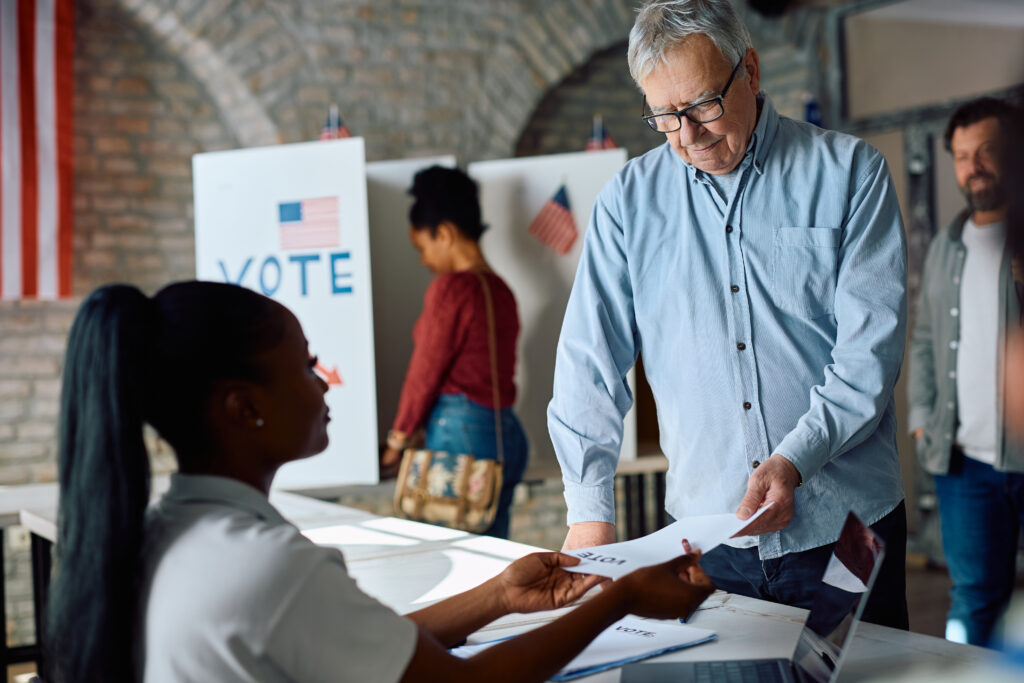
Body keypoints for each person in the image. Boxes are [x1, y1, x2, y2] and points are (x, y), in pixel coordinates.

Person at [45, 280, 714, 683]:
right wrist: (618, 598)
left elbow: (360, 646)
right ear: (242, 407)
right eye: (305, 366)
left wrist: (499, 597)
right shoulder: (267, 565)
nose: (324, 379)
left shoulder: (171, 529)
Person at [548, 0, 908, 628]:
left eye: (703, 107)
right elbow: (588, 361)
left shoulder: (852, 173)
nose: (688, 135)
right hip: (708, 541)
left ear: (751, 71)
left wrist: (794, 458)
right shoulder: (627, 205)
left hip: (846, 523)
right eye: (664, 116)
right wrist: (589, 512)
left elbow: (868, 353)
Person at [907, 97, 1024, 647]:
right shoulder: (946, 247)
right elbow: (926, 338)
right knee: (973, 600)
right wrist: (922, 416)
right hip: (963, 464)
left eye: (987, 151)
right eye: (960, 156)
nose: (972, 166)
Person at [380, 165, 528, 538]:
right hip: (504, 431)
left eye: (422, 247)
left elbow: (424, 372)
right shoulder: (500, 289)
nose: (423, 259)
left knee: (452, 556)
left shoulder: (452, 289)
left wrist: (398, 439)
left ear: (443, 233)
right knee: (492, 557)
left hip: (459, 436)